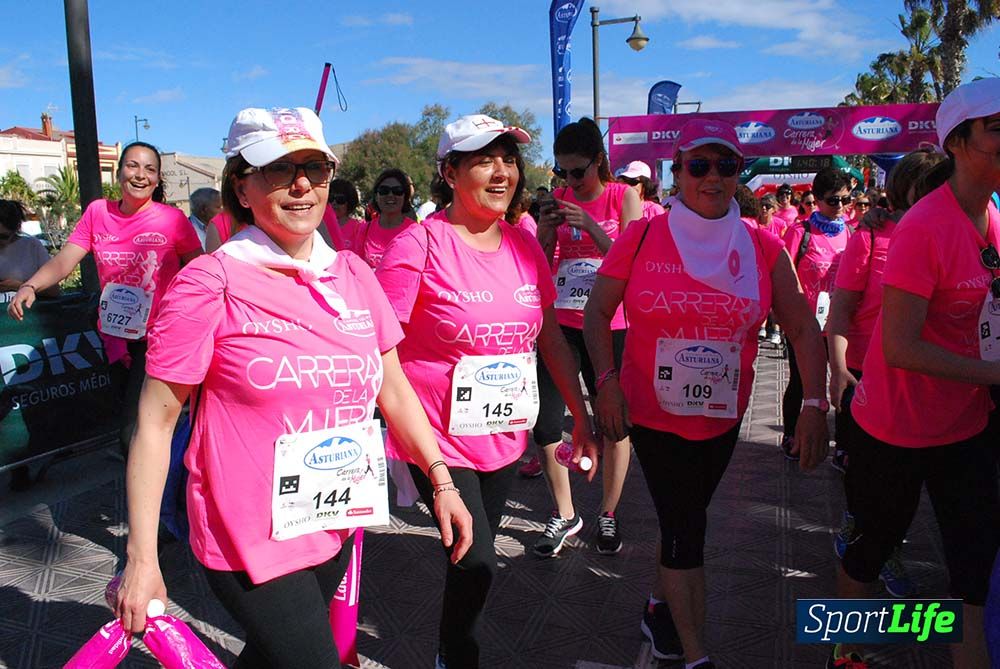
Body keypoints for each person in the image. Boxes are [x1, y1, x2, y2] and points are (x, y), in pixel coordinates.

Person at [113, 107, 472, 669]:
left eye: (315, 168)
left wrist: (440, 479)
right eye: (279, 169)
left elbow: (394, 389)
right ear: (243, 185)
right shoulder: (210, 281)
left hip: (330, 517)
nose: (302, 184)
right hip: (244, 534)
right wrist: (140, 557)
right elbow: (155, 423)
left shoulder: (352, 275)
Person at [584, 118, 828, 668]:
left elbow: (803, 327)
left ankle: (657, 606)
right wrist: (607, 383)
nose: (712, 177)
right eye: (699, 165)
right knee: (686, 528)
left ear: (740, 173)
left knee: (683, 516)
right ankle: (696, 655)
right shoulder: (642, 235)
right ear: (678, 170)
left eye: (726, 166)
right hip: (653, 411)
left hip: (722, 418)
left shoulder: (764, 247)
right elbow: (598, 312)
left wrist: (815, 402)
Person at [375, 113, 598, 668]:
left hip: (502, 432)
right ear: (449, 172)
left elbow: (549, 338)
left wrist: (582, 416)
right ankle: (459, 656)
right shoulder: (417, 245)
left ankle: (451, 648)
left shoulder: (524, 245)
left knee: (471, 560)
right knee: (477, 560)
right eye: (483, 160)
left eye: (508, 160)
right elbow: (378, 350)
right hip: (437, 439)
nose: (501, 173)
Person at [828, 77, 1000, 669]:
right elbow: (898, 347)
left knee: (973, 569)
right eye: (996, 128)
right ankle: (844, 649)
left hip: (967, 426)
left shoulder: (993, 219)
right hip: (895, 428)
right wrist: (995, 373)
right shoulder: (925, 225)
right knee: (871, 553)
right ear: (957, 141)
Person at [7, 141, 202, 451]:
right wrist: (30, 286)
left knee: (133, 432)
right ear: (119, 172)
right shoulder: (98, 213)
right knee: (133, 430)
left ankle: (155, 495)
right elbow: (64, 261)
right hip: (114, 336)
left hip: (159, 337)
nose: (140, 175)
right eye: (133, 166)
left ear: (158, 178)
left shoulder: (172, 219)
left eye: (150, 169)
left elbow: (199, 269)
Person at [826, 148, 947, 607]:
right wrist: (838, 371)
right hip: (866, 377)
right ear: (904, 191)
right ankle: (868, 548)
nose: (940, 195)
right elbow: (840, 310)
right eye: (929, 186)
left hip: (935, 386)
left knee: (903, 499)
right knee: (868, 490)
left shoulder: (964, 232)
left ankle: (877, 542)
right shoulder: (872, 237)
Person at [534, 117, 642, 558]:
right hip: (562, 322)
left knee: (612, 423)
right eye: (563, 172)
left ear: (599, 162)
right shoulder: (558, 199)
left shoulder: (623, 196)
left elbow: (631, 261)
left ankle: (609, 512)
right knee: (544, 423)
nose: (571, 181)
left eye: (579, 171)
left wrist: (591, 226)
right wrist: (545, 231)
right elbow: (539, 266)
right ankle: (565, 512)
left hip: (611, 325)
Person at [779, 168, 852, 459]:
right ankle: (790, 435)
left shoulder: (851, 231)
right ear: (817, 200)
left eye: (847, 200)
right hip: (805, 324)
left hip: (840, 325)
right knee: (801, 381)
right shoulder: (801, 232)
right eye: (834, 200)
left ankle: (843, 445)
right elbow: (783, 275)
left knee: (843, 380)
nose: (841, 207)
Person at [353, 168, 419, 269]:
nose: (390, 195)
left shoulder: (416, 232)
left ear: (405, 196)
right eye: (384, 191)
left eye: (397, 191)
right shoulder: (364, 230)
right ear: (376, 196)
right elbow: (356, 268)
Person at [0, 200, 56, 297]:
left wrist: (20, 286)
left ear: (17, 229)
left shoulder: (32, 247)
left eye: (3, 237)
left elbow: (53, 290)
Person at [324, 177, 363, 252]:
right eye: (331, 198)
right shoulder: (319, 225)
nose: (334, 203)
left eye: (340, 200)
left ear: (349, 202)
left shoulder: (358, 228)